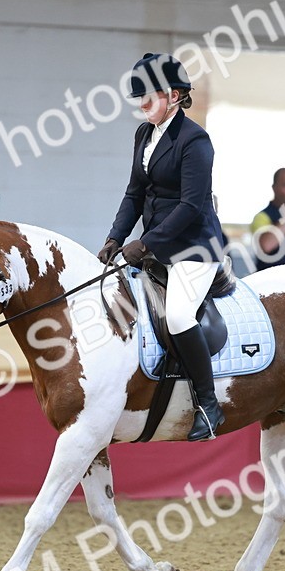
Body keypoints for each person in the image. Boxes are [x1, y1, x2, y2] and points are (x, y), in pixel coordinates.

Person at [97, 52, 226, 441]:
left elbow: (190, 205)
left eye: (148, 97)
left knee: (179, 317)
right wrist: (115, 237)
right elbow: (134, 193)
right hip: (154, 247)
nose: (141, 105)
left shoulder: (195, 140)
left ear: (174, 96)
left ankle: (209, 404)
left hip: (194, 247)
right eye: (138, 98)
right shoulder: (144, 135)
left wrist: (146, 242)